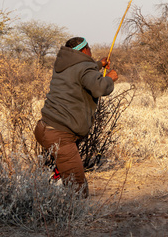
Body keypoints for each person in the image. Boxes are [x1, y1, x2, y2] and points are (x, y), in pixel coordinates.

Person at [34, 37, 118, 197]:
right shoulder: (84, 67)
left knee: (65, 176)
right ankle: (73, 218)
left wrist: (99, 64)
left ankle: (55, 191)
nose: (90, 53)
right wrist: (110, 79)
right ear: (84, 50)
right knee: (77, 187)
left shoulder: (64, 65)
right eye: (89, 49)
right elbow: (99, 88)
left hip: (44, 129)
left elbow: (83, 70)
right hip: (60, 135)